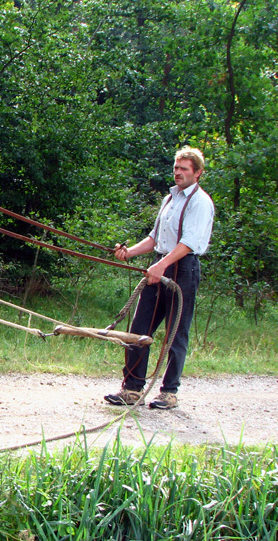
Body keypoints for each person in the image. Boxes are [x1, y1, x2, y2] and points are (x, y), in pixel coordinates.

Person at [104, 147, 215, 410]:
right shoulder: (170, 199)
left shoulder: (200, 202)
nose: (178, 173)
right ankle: (132, 389)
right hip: (161, 263)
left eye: (184, 169)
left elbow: (188, 243)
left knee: (176, 333)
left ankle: (169, 392)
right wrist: (130, 252)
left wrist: (161, 265)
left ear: (197, 173)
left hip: (183, 269)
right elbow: (155, 237)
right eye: (176, 168)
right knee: (139, 329)